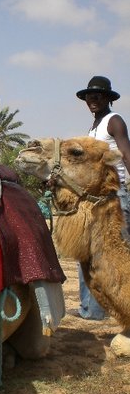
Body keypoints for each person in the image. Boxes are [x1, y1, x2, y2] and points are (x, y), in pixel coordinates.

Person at [73, 76, 130, 320]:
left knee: (116, 253)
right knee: (87, 255)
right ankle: (91, 308)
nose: (92, 100)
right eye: (89, 96)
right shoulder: (94, 126)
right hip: (96, 198)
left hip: (115, 194)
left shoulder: (113, 121)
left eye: (97, 96)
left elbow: (126, 153)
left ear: (108, 98)